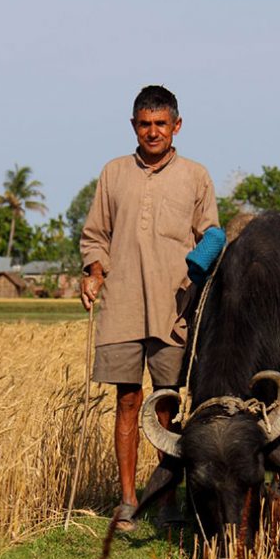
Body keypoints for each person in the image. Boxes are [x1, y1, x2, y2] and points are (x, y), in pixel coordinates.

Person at [80, 85, 219, 531]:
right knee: (127, 400)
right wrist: (94, 272)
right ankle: (126, 500)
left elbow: (212, 235)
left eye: (161, 123)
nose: (153, 131)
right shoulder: (114, 172)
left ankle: (167, 500)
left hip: (173, 307)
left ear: (177, 126)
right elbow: (95, 235)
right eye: (145, 124)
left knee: (166, 407)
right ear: (134, 126)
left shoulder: (196, 176)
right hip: (122, 304)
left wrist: (197, 272)